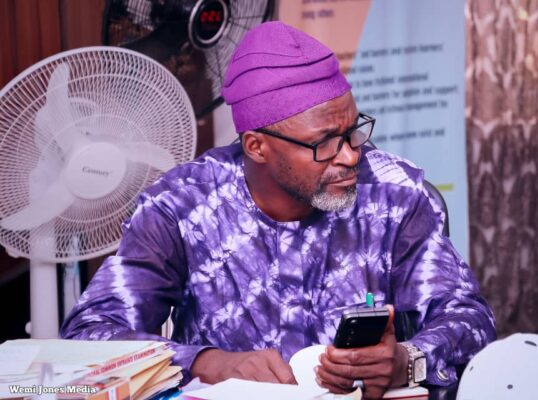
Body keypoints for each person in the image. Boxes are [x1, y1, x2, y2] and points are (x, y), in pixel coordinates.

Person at [61, 21, 496, 399]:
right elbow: (90, 335)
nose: (350, 156)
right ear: (256, 146)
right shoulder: (182, 207)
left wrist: (408, 360)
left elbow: (469, 318)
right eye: (324, 142)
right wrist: (207, 362)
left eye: (353, 131)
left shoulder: (393, 195)